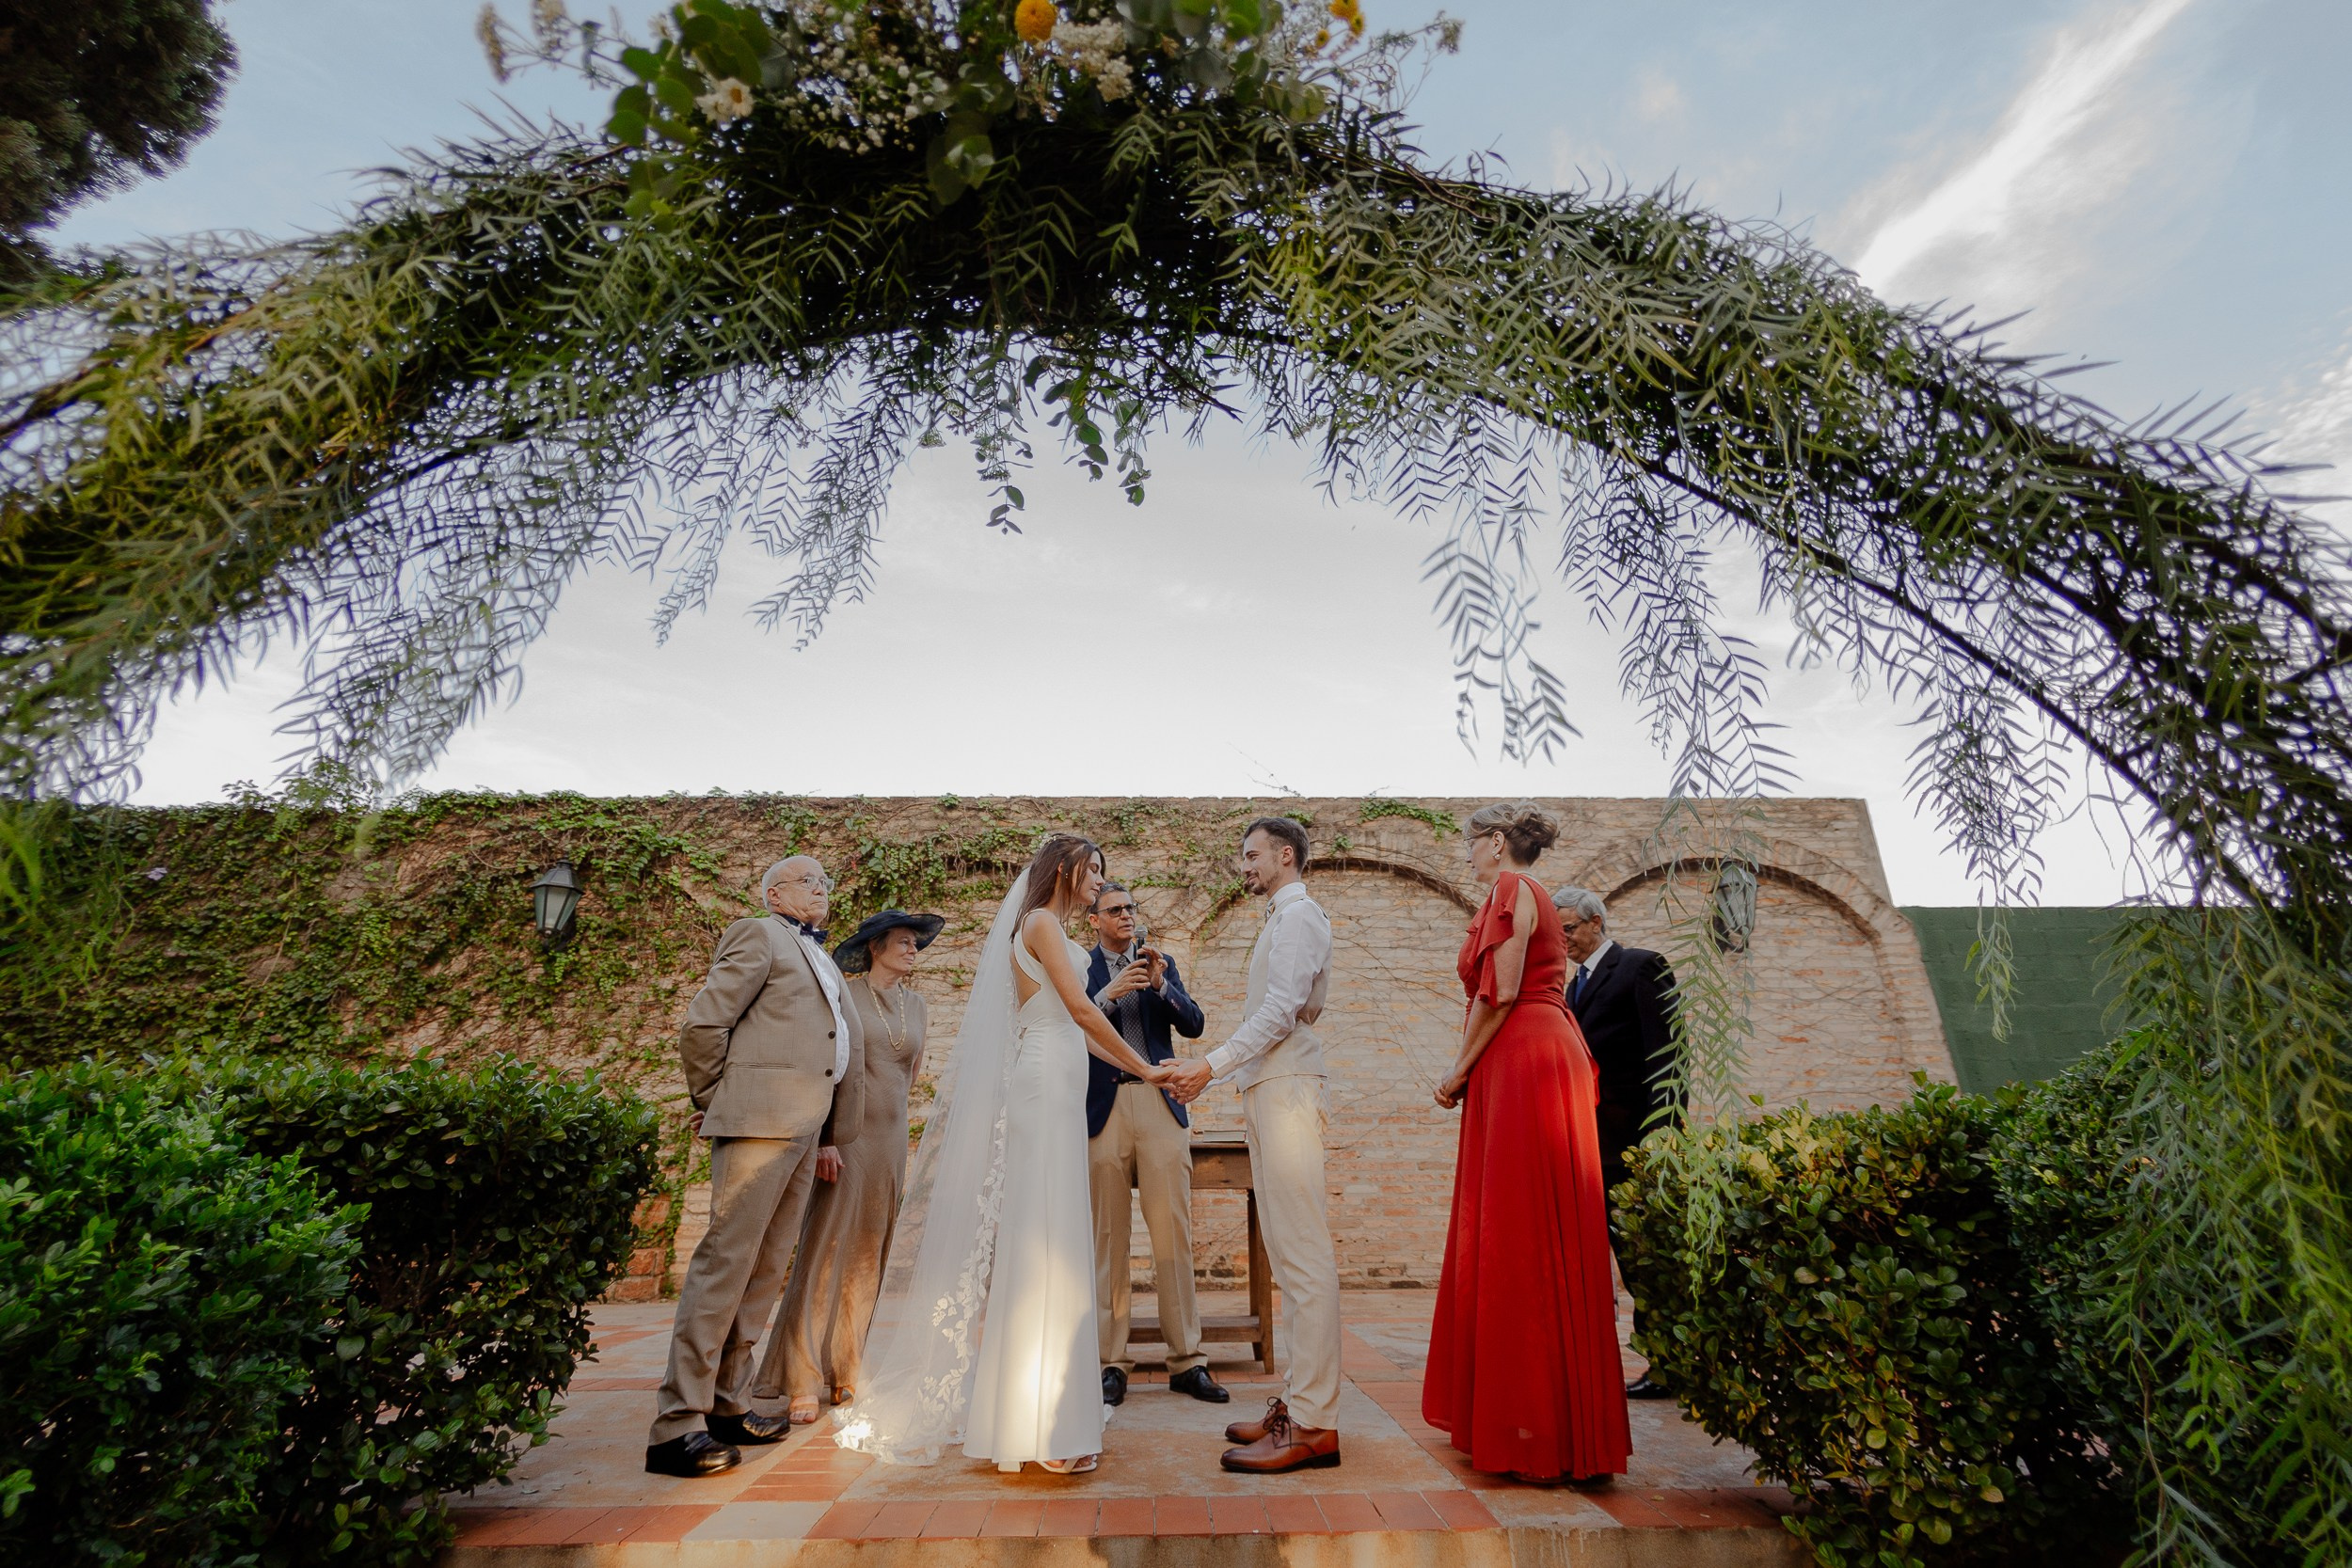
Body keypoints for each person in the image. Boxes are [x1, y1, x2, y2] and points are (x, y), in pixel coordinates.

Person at [834, 836, 1176, 1476]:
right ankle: (1042, 1428)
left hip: (1059, 1077)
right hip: (1045, 1086)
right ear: (1064, 869)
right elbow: (1076, 1010)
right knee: (1048, 1247)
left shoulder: (1046, 926)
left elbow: (1077, 1021)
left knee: (1054, 1243)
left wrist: (1137, 1066)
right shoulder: (1042, 921)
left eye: (1103, 870)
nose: (1100, 880)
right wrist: (1148, 1069)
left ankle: (1032, 1413)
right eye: (1093, 868)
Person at [1422, 802, 1632, 1482]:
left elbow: (1503, 988)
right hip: (1538, 1052)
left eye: (1469, 844)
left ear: (1494, 842)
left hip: (1525, 1055)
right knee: (1537, 1232)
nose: (1466, 856)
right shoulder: (1528, 894)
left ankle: (1536, 1430)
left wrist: (1457, 1067)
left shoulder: (1512, 889)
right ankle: (1552, 1425)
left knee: (1517, 1233)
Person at [646, 855, 865, 1479]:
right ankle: (675, 1423)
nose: (821, 886)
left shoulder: (822, 955)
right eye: (807, 879)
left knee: (764, 1271)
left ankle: (725, 1403)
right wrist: (716, 1100)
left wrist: (828, 1130)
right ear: (773, 892)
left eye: (827, 878)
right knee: (724, 1266)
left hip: (804, 1129)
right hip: (758, 1124)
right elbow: (704, 1023)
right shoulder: (758, 931)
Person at [1163, 816, 1342, 1475]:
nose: (1243, 864)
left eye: (1251, 853)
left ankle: (1316, 1424)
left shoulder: (1300, 917)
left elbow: (1284, 1009)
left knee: (1303, 1254)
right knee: (1289, 1254)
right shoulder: (1278, 918)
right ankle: (1299, 1403)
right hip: (1269, 1084)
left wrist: (1210, 1065)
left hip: (1287, 1084)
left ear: (1284, 854)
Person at [755, 908, 944, 1425]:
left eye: (915, 944)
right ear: (876, 947)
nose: (912, 950)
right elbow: (827, 1068)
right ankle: (801, 1378)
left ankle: (847, 1369)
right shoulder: (844, 994)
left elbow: (909, 1077)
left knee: (867, 1258)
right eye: (903, 942)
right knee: (824, 1253)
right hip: (845, 1139)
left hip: (889, 1144)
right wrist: (824, 1139)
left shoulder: (919, 1006)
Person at [1082, 881, 1226, 1408]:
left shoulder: (1157, 962)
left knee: (1174, 1236)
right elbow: (1072, 1021)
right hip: (1104, 1109)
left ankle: (1188, 1361)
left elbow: (1194, 1024)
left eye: (1131, 909)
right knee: (1108, 1240)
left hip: (1161, 1100)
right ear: (1093, 920)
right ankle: (1110, 1363)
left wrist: (1163, 986)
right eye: (1114, 910)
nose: (1125, 916)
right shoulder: (1083, 968)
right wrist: (1108, 995)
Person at [1554, 883, 1683, 1400]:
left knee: (1644, 1255)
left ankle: (1671, 1365)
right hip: (1591, 1142)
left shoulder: (1642, 966)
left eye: (1569, 929)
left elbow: (1669, 1055)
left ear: (1595, 923)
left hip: (1635, 1141)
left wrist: (1664, 1135)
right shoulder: (1570, 991)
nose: (1563, 940)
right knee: (1613, 1255)